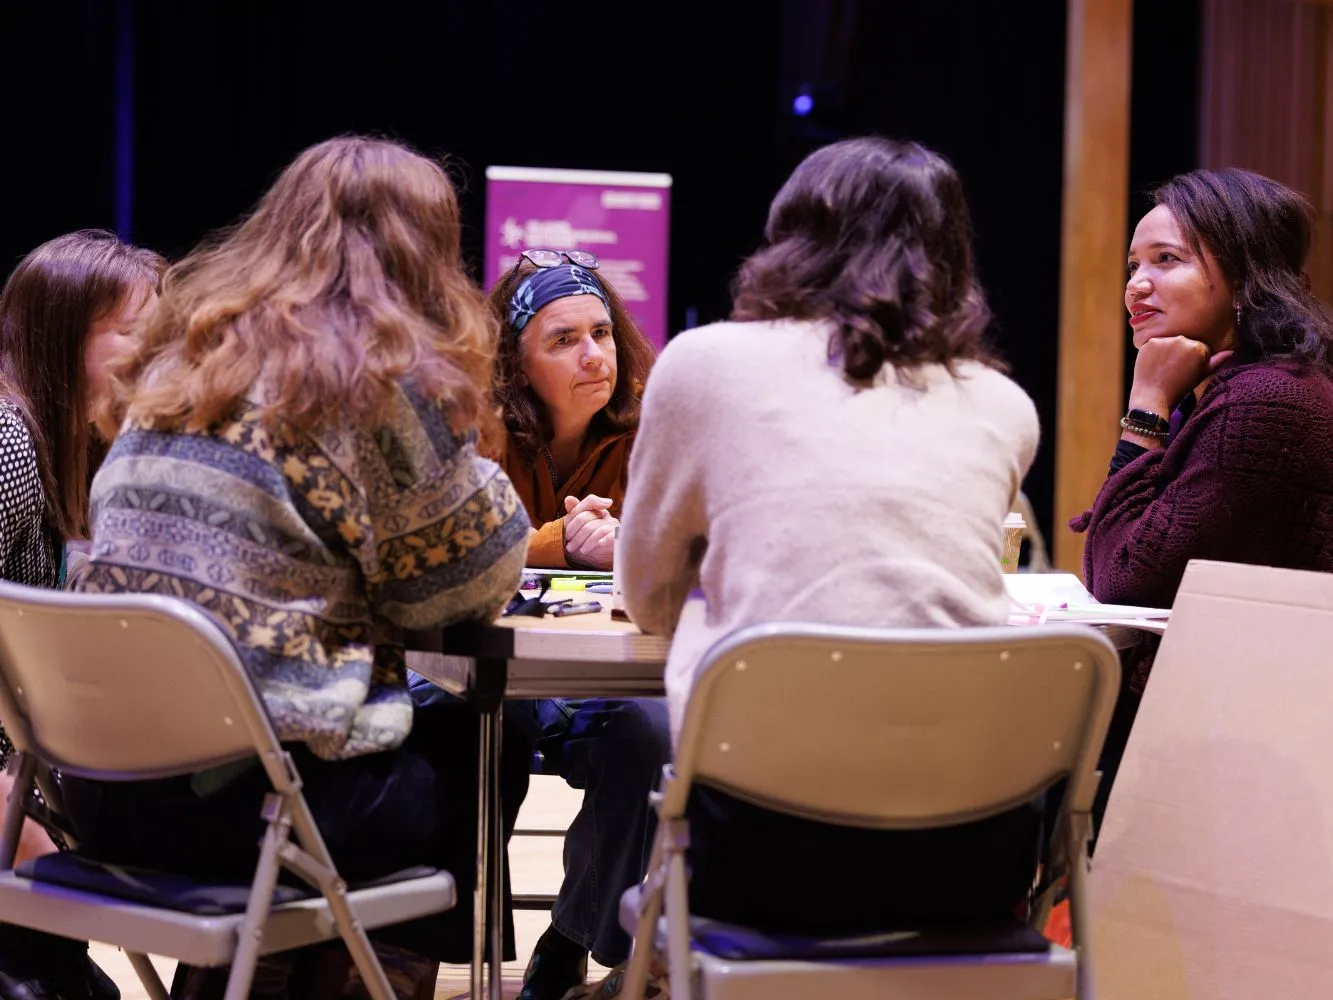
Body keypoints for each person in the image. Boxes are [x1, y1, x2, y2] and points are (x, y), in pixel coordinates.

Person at [60, 137, 534, 998]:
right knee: (484, 742)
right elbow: (472, 585)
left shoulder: (178, 362)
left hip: (101, 795)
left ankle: (259, 981)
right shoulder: (377, 379)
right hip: (241, 809)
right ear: (424, 261)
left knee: (371, 743)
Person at [617, 137, 1042, 952]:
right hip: (974, 862)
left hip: (766, 855)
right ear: (955, 255)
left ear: (791, 236)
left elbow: (646, 594)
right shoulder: (1004, 405)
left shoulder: (703, 364)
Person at [1071, 167, 1333, 825]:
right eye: (1133, 264)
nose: (1135, 284)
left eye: (1166, 260)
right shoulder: (1253, 386)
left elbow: (1122, 581)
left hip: (1243, 767)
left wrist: (1145, 407)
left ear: (1244, 274)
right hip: (1241, 732)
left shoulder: (1266, 402)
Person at [473, 252, 668, 1000]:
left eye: (602, 332)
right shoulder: (480, 427)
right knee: (466, 738)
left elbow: (694, 541)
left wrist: (633, 546)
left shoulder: (652, 422)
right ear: (516, 365)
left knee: (650, 734)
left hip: (604, 669)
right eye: (562, 341)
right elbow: (457, 548)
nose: (594, 356)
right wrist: (556, 538)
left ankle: (572, 932)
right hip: (493, 668)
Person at [0, 228, 164, 1000]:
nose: (161, 360)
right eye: (137, 336)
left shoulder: (74, 452)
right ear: (63, 337)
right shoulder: (8, 445)